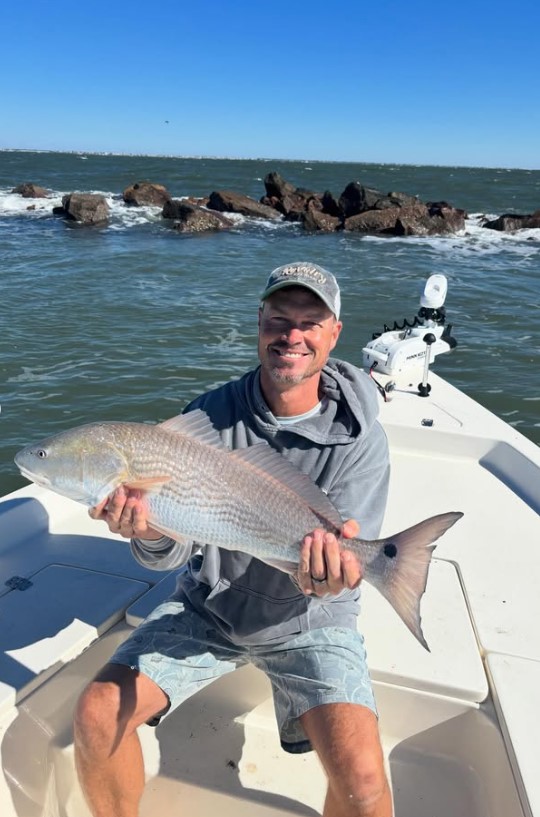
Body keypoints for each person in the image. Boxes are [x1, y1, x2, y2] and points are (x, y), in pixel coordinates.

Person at [74, 261, 392, 817]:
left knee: (364, 786)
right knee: (97, 716)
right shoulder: (207, 416)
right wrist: (148, 531)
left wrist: (328, 577)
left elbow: (337, 581)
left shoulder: (360, 438)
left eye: (310, 322)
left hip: (309, 621)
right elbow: (169, 554)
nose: (292, 336)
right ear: (259, 323)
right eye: (279, 319)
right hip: (211, 608)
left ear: (334, 333)